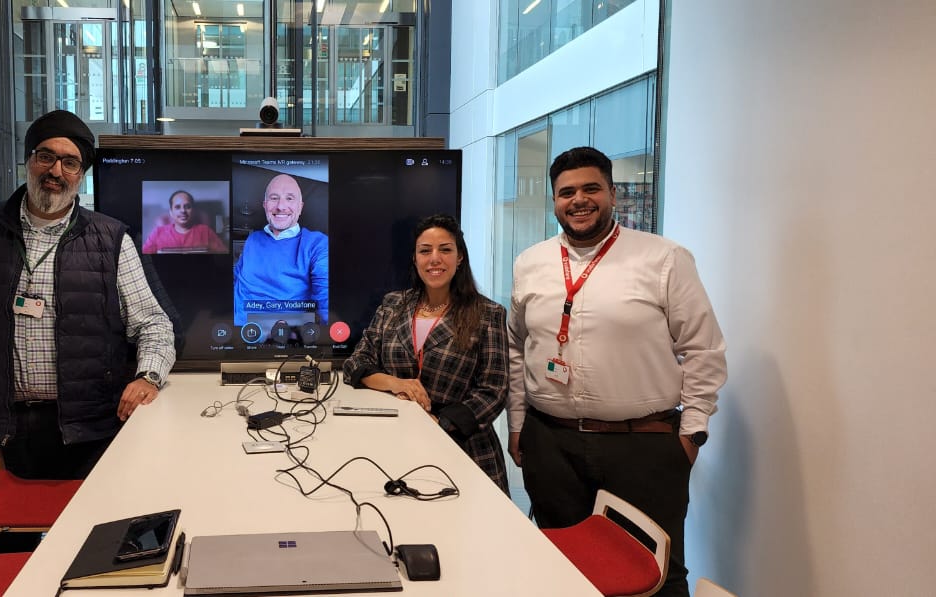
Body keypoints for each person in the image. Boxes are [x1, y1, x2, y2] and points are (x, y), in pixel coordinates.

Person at [507, 146, 727, 597]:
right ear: (554, 201)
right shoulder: (530, 263)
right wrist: (517, 424)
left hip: (642, 445)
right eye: (566, 192)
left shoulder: (664, 259)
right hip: (552, 443)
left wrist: (691, 434)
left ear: (612, 193)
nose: (579, 200)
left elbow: (703, 350)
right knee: (561, 570)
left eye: (591, 188)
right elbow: (515, 346)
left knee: (654, 576)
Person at [0, 109, 176, 554]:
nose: (55, 171)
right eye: (46, 157)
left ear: (81, 174)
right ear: (28, 160)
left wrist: (148, 376)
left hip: (83, 435)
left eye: (70, 162)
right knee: (5, 562)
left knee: (83, 555)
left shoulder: (111, 240)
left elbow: (155, 323)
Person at [342, 214, 510, 494]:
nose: (435, 259)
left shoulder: (488, 313)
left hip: (463, 448)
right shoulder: (393, 304)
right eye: (425, 250)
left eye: (445, 249)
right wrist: (396, 383)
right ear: (415, 258)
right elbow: (355, 363)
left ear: (459, 257)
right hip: (395, 444)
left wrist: (441, 423)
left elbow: (494, 391)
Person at [232, 173, 329, 328]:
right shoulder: (253, 239)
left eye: (289, 198)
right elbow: (237, 277)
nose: (281, 206)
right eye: (274, 198)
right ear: (265, 205)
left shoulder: (317, 243)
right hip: (232, 328)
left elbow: (325, 297)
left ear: (300, 207)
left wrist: (327, 335)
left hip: (276, 333)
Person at [141, 189, 228, 254]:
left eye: (187, 206)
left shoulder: (206, 231)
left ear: (193, 211)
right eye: (177, 207)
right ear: (171, 212)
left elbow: (223, 255)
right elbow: (143, 259)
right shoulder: (158, 232)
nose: (183, 211)